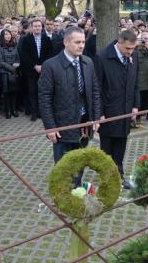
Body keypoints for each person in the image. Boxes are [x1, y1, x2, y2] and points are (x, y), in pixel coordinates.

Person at [38, 26, 101, 187]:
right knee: (63, 164)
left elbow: (95, 91)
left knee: (80, 160)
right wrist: (50, 127)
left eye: (83, 42)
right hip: (61, 125)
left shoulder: (88, 62)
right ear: (66, 42)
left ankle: (77, 189)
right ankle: (63, 194)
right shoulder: (50, 65)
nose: (81, 46)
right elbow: (44, 98)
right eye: (77, 42)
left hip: (83, 123)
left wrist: (95, 118)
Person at [94, 29, 140, 190]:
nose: (130, 52)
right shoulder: (102, 57)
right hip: (108, 112)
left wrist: (135, 105)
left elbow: (136, 83)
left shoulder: (133, 56)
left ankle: (119, 176)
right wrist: (98, 113)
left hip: (126, 110)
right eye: (128, 48)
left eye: (133, 48)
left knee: (121, 145)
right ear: (119, 43)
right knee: (107, 148)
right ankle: (107, 179)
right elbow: (97, 88)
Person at [20, 19, 53, 121]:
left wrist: (43, 65)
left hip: (44, 69)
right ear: (31, 27)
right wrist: (35, 66)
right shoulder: (26, 39)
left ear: (41, 27)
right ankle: (33, 112)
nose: (37, 28)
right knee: (32, 91)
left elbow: (50, 53)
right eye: (35, 26)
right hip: (31, 70)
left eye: (39, 26)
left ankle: (40, 112)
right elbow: (24, 55)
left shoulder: (46, 39)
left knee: (42, 91)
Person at [0, 29, 20, 119]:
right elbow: (0, 61)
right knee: (6, 92)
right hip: (4, 72)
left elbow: (18, 58)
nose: (8, 36)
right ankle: (8, 110)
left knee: (14, 91)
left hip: (14, 72)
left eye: (9, 34)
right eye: (6, 34)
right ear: (2, 36)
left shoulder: (14, 45)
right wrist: (11, 68)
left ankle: (14, 109)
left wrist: (17, 64)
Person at [136, 31, 148, 123]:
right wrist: (138, 45)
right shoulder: (136, 50)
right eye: (144, 39)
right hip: (140, 80)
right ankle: (138, 116)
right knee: (140, 100)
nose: (145, 41)